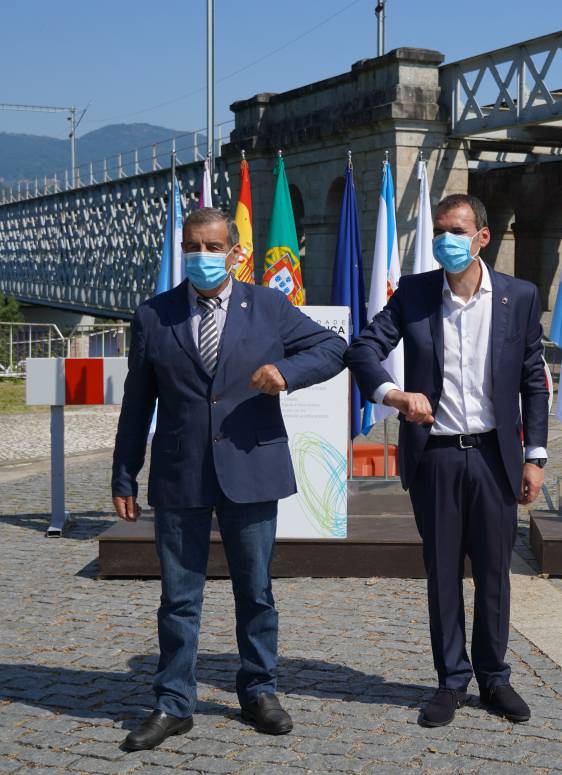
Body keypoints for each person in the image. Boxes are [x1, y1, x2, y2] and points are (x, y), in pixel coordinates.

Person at [111, 207, 346, 751]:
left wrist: (288, 374)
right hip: (180, 472)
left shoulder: (267, 306)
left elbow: (333, 349)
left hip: (251, 466)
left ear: (235, 251)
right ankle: (174, 702)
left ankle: (259, 690)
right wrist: (125, 473)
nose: (202, 255)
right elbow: (136, 402)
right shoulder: (154, 314)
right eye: (193, 245)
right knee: (178, 597)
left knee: (256, 592)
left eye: (212, 246)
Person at [345, 193, 549, 727]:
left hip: (494, 456)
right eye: (439, 231)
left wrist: (537, 455)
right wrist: (394, 395)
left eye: (456, 231)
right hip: (434, 455)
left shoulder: (518, 296)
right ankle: (450, 681)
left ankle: (495, 678)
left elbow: (533, 380)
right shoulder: (414, 294)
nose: (445, 241)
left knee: (494, 573)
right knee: (441, 574)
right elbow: (364, 348)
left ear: (482, 237)